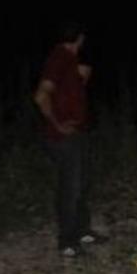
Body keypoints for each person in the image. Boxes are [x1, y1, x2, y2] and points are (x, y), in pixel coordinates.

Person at [34, 21, 104, 257]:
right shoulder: (59, 57)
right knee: (70, 188)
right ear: (80, 38)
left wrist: (82, 78)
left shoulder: (70, 60)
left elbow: (69, 94)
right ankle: (67, 243)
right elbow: (41, 95)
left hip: (78, 133)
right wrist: (57, 125)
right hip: (63, 137)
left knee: (82, 184)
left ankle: (83, 231)